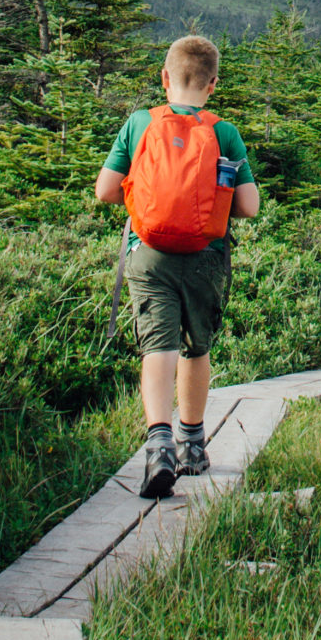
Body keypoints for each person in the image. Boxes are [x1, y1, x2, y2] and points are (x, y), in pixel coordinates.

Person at [95, 34, 260, 499]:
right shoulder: (223, 131)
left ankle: (158, 445)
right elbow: (249, 205)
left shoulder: (139, 123)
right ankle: (192, 443)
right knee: (195, 345)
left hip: (149, 256)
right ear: (212, 85)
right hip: (206, 257)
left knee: (157, 344)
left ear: (164, 78)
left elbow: (104, 191)